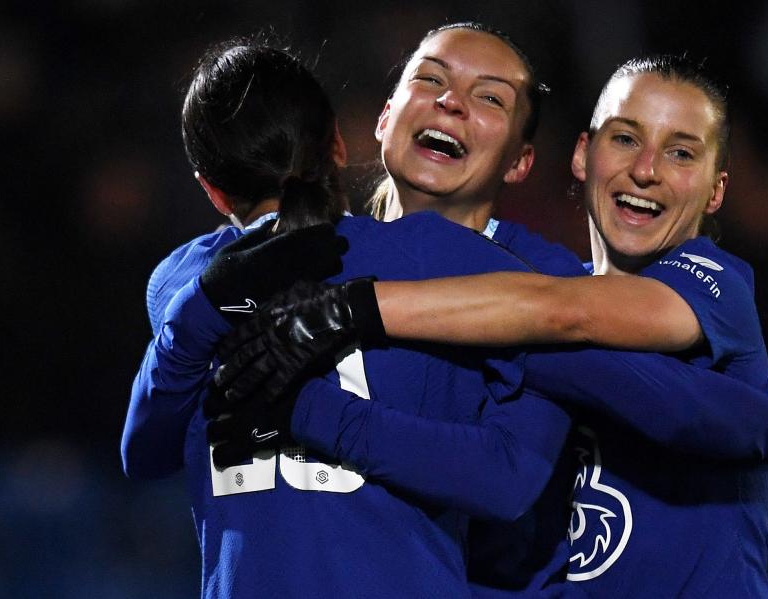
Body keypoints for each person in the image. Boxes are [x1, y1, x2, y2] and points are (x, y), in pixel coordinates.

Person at [212, 36, 768, 598]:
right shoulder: (307, 260)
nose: (646, 169)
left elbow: (559, 334)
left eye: (680, 153)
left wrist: (342, 324)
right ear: (583, 155)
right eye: (625, 137)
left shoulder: (692, 282)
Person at [121, 37, 580, 597]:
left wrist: (219, 319)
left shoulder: (182, 282)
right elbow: (514, 464)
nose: (452, 103)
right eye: (431, 80)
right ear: (357, 133)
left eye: (489, 98)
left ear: (212, 191)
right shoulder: (503, 274)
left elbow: (141, 454)